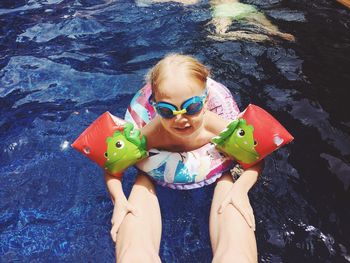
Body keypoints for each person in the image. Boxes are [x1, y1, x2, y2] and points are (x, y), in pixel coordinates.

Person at [105, 54, 262, 262]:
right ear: (155, 107)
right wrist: (119, 201)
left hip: (219, 174)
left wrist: (241, 190)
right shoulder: (150, 135)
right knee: (134, 255)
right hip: (152, 177)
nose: (180, 119)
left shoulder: (216, 128)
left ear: (206, 101)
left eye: (192, 107)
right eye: (167, 111)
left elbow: (255, 159)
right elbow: (112, 169)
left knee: (236, 255)